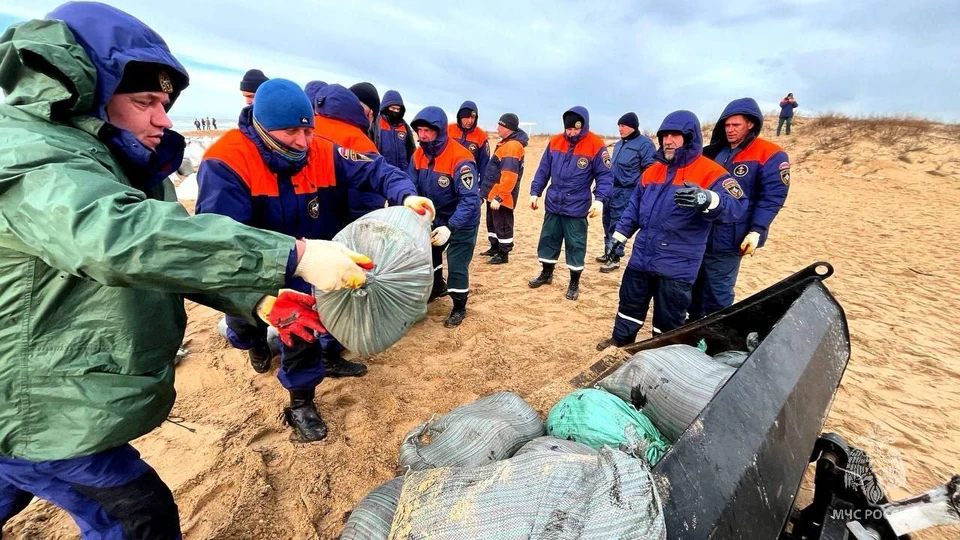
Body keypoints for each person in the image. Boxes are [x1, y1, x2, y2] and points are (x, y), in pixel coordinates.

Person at [0, 3, 374, 536]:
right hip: (36, 402)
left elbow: (167, 258)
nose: (163, 118)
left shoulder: (114, 159)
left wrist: (258, 299)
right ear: (85, 92)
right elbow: (119, 237)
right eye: (145, 101)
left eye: (166, 102)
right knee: (138, 516)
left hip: (42, 389)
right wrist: (292, 255)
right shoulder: (33, 157)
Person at [197, 79, 435, 440]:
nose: (302, 142)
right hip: (253, 262)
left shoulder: (322, 151)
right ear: (261, 124)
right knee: (245, 320)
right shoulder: (225, 162)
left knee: (301, 326)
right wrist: (256, 299)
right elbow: (218, 246)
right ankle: (255, 344)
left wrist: (405, 195)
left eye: (307, 130)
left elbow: (375, 169)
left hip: (309, 259)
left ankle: (300, 401)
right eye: (291, 131)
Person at [596, 110, 747, 350]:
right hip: (642, 257)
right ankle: (621, 343)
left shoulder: (711, 172)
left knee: (669, 318)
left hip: (678, 263)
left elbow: (737, 206)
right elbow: (634, 209)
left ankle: (662, 355)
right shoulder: (652, 171)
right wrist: (619, 237)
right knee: (629, 304)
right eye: (665, 135)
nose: (668, 141)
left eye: (675, 135)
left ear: (690, 138)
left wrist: (708, 198)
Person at [689, 98, 790, 320]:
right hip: (702, 231)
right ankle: (692, 324)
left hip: (732, 236)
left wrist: (756, 230)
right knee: (694, 284)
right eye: (727, 125)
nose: (730, 130)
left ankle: (715, 329)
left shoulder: (770, 154)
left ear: (751, 124)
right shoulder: (714, 152)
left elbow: (771, 198)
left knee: (718, 291)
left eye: (736, 125)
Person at [528, 106, 612, 301]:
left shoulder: (596, 145)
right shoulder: (555, 141)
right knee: (548, 239)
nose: (572, 133)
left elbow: (605, 176)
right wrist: (535, 192)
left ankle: (574, 281)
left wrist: (600, 200)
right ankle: (546, 272)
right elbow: (543, 170)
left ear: (583, 127)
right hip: (553, 203)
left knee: (576, 244)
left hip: (577, 206)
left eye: (576, 129)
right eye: (568, 129)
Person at [408, 106, 481, 327]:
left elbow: (470, 200)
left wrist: (450, 227)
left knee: (457, 264)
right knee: (430, 256)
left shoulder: (461, 159)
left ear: (438, 131)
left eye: (427, 131)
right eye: (419, 131)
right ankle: (437, 287)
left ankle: (459, 305)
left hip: (462, 221)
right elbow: (410, 182)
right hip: (433, 218)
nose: (422, 136)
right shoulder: (418, 154)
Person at [311, 83, 386, 221]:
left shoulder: (307, 127)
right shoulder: (360, 142)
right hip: (340, 223)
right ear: (371, 114)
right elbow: (368, 198)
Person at [597, 112, 656, 273]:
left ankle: (615, 257)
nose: (620, 129)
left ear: (632, 127)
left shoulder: (645, 144)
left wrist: (641, 191)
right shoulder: (618, 144)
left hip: (627, 191)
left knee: (617, 223)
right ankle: (607, 250)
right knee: (607, 221)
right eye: (619, 126)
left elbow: (650, 169)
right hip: (612, 189)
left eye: (623, 126)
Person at [479, 113, 528, 264]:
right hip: (493, 192)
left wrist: (500, 197)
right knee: (493, 222)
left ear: (508, 128)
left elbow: (509, 176)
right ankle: (494, 247)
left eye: (500, 125)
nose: (497, 128)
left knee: (503, 223)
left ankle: (503, 253)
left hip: (502, 195)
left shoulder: (512, 146)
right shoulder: (506, 143)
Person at [448, 100, 490, 182]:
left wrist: (482, 186)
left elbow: (484, 164)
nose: (470, 121)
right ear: (460, 117)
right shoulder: (448, 130)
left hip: (468, 179)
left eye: (473, 118)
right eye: (467, 117)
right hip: (447, 176)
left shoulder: (481, 136)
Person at [374, 89, 416, 170]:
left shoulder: (404, 127)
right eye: (393, 108)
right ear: (386, 107)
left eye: (398, 109)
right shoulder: (376, 124)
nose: (396, 111)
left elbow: (411, 151)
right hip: (381, 172)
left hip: (402, 173)